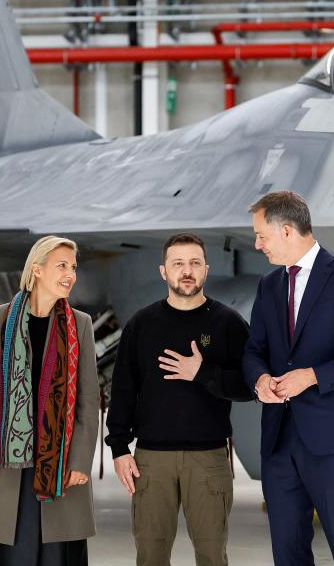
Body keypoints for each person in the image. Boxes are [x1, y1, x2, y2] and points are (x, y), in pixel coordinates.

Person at [243, 191, 334, 566]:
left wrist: (312, 376)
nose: (257, 244)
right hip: (278, 443)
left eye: (262, 235)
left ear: (287, 230)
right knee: (287, 552)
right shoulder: (269, 286)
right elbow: (253, 350)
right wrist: (259, 380)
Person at [105, 232, 253, 566]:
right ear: (163, 272)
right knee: (151, 555)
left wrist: (203, 373)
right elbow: (124, 389)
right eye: (178, 264)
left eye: (194, 263)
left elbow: (251, 386)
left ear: (205, 270)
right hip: (151, 461)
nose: (186, 271)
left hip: (209, 459)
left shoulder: (228, 323)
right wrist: (118, 447)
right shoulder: (141, 325)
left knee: (213, 555)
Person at [0, 236, 99, 565]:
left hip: (60, 464)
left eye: (74, 267)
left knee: (54, 553)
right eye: (61, 266)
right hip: (3, 464)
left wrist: (80, 461)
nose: (70, 274)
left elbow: (88, 401)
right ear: (37, 269)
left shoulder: (81, 325)